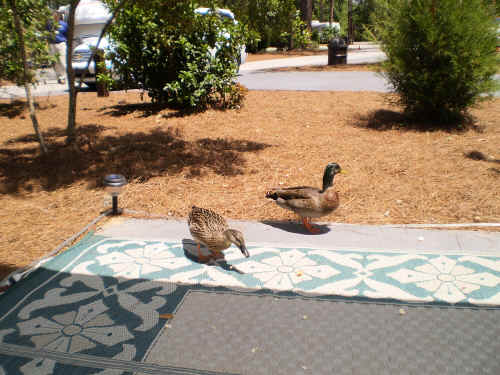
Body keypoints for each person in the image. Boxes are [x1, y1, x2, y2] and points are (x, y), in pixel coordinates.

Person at [48, 11, 68, 84]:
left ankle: (63, 77)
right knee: (55, 62)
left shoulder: (64, 25)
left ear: (59, 16)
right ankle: (59, 76)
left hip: (61, 44)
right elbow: (47, 33)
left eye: (56, 15)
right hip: (52, 44)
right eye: (53, 15)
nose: (54, 17)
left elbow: (67, 34)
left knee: (63, 61)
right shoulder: (49, 25)